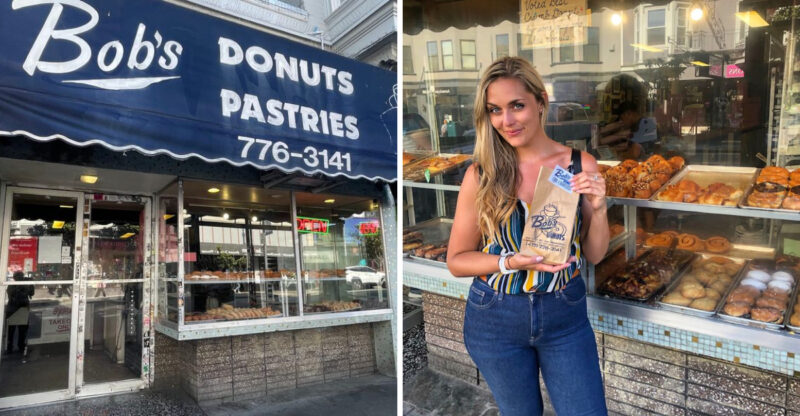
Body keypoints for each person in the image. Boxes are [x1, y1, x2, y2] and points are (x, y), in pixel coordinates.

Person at [447, 57, 609, 415]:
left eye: (516, 105)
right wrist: (509, 262)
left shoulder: (580, 165)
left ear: (540, 102)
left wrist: (598, 210)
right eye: (495, 110)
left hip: (564, 313)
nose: (506, 121)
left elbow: (595, 254)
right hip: (495, 317)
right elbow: (457, 261)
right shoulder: (482, 173)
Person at [6, 271, 34, 354]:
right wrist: (28, 284)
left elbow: (31, 293)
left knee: (16, 330)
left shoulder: (13, 285)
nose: (21, 278)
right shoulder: (14, 286)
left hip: (16, 309)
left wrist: (31, 284)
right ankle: (14, 347)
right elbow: (12, 295)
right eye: (20, 276)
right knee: (16, 330)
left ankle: (13, 347)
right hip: (17, 308)